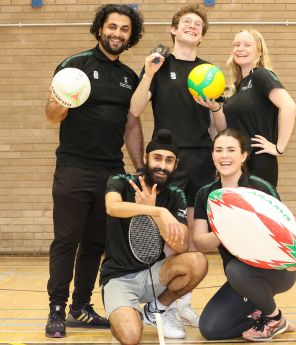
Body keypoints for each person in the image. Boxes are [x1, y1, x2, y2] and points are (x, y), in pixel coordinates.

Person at [44, 4, 145, 338]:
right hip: (73, 169)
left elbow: (131, 126)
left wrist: (140, 167)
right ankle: (56, 308)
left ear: (131, 36)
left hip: (110, 173)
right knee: (66, 241)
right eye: (112, 26)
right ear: (100, 28)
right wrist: (62, 99)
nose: (117, 33)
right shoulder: (75, 65)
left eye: (124, 29)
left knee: (95, 244)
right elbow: (52, 114)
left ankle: (80, 307)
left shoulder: (130, 77)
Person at [130, 4, 215, 327]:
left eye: (198, 25)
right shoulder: (157, 65)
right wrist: (149, 73)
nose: (193, 27)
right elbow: (135, 109)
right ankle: (164, 306)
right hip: (169, 161)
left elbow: (214, 125)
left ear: (202, 36)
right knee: (171, 236)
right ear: (174, 30)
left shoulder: (209, 72)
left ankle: (183, 304)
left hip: (202, 160)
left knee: (195, 236)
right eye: (187, 23)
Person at [100, 129, 208, 343]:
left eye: (169, 160)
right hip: (118, 277)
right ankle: (126, 316)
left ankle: (156, 309)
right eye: (157, 158)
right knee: (130, 337)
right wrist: (157, 211)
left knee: (197, 261)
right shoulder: (121, 181)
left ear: (175, 165)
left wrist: (157, 213)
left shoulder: (175, 194)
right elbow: (112, 207)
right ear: (145, 158)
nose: (162, 165)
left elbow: (181, 246)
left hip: (156, 274)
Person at [193, 128, 296, 342]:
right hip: (240, 278)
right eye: (219, 150)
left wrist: (294, 255)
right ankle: (261, 312)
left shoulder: (261, 188)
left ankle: (273, 317)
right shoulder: (206, 194)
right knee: (211, 330)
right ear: (212, 155)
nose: (224, 156)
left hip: (276, 270)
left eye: (231, 150)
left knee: (236, 269)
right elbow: (199, 242)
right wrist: (224, 229)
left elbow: (286, 230)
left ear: (243, 156)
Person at [194, 28, 296, 187]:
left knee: (258, 211)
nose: (240, 49)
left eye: (247, 45)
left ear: (259, 51)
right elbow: (225, 129)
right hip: (237, 162)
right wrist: (215, 107)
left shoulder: (260, 75)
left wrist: (279, 148)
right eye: (236, 45)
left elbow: (289, 106)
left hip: (259, 162)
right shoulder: (237, 86)